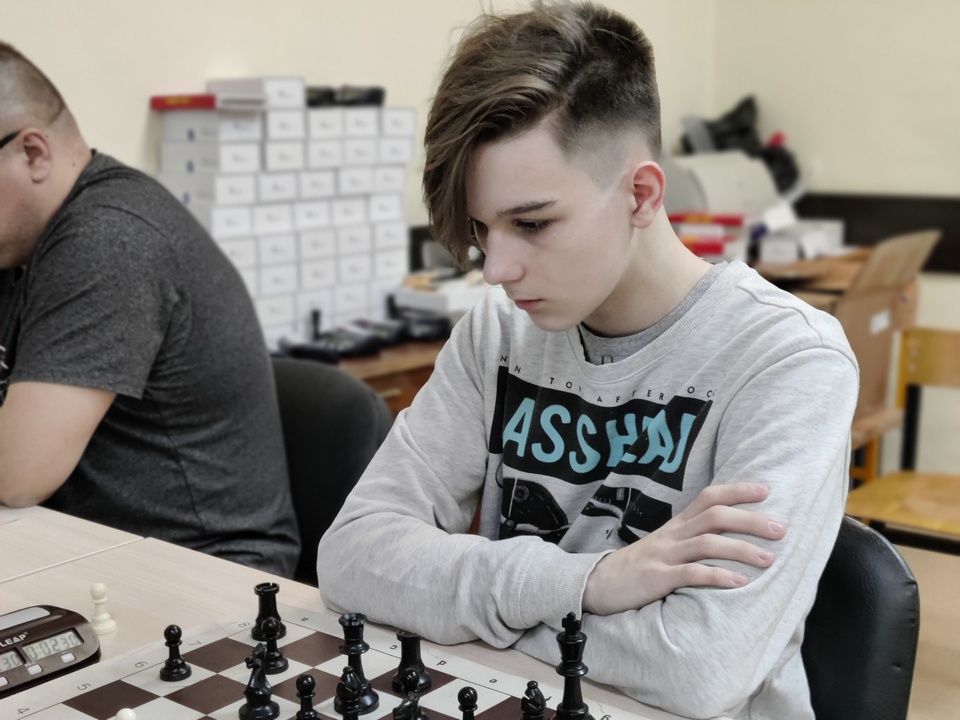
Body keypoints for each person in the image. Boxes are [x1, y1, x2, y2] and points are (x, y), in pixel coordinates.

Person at [316, 2, 858, 718]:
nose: (496, 270)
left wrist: (459, 604)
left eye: (532, 223)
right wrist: (590, 582)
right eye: (482, 229)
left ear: (641, 194)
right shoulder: (495, 334)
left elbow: (698, 669)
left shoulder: (789, 361)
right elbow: (352, 557)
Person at [0, 41, 300, 577]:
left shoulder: (107, 239)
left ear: (34, 153)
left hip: (204, 572)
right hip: (83, 549)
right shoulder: (20, 242)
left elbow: (17, 474)